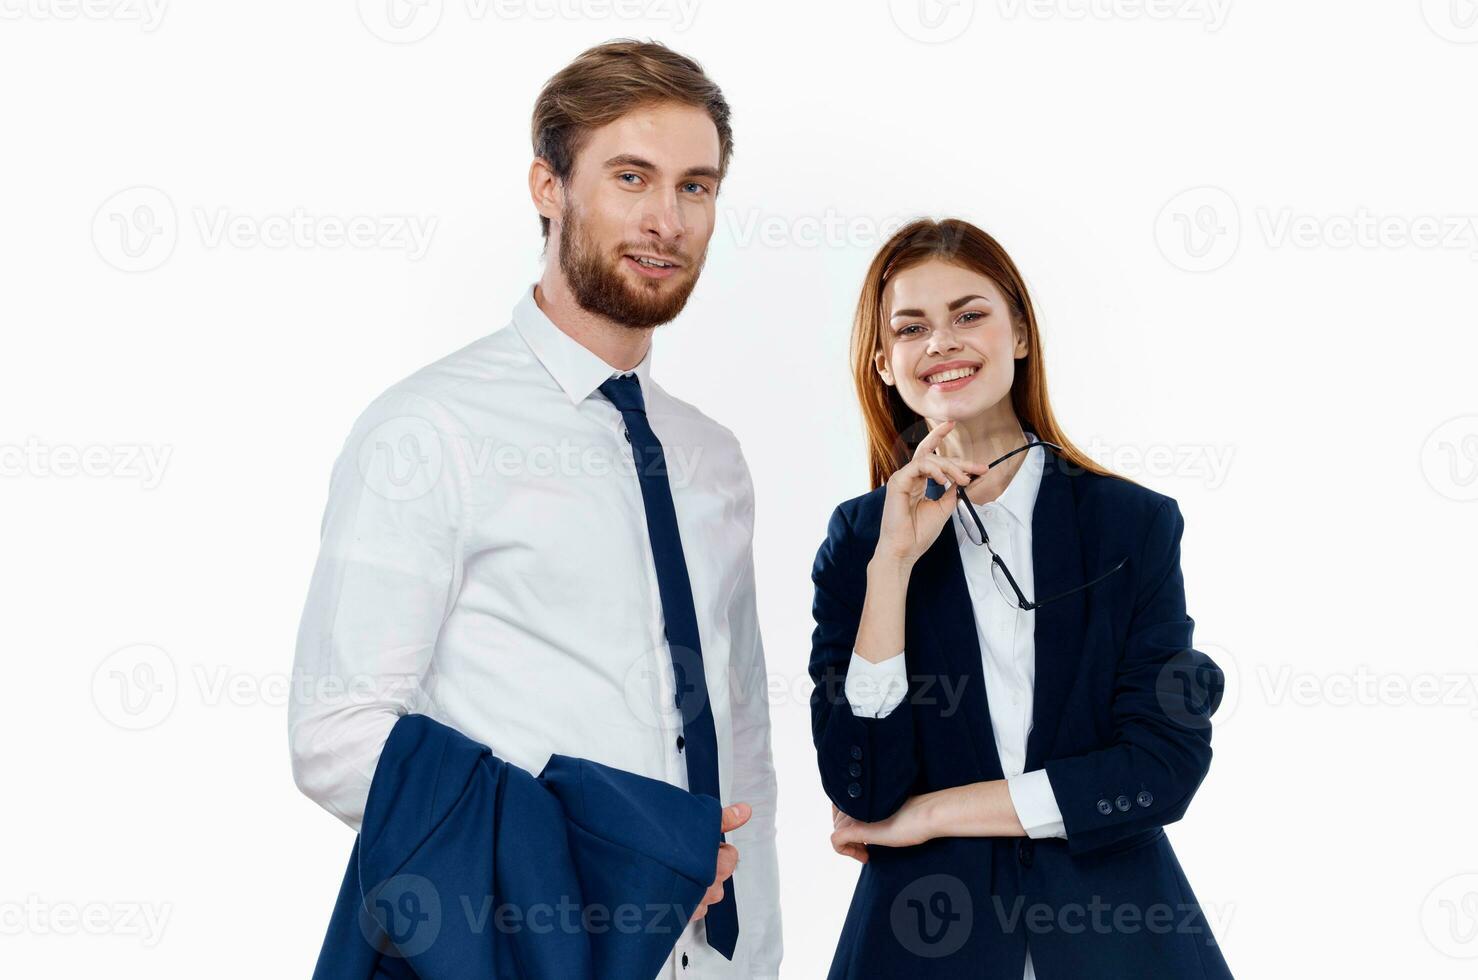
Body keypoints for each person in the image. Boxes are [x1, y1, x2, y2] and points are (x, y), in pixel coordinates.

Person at [289, 39, 781, 979]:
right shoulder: (427, 429)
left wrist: (752, 955)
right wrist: (608, 860)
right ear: (547, 187)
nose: (666, 219)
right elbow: (336, 733)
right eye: (631, 176)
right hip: (516, 950)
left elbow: (740, 730)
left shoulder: (713, 459)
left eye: (696, 186)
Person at [810, 218, 1231, 978]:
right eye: (912, 327)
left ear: (1021, 334)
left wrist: (933, 815)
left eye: (969, 315)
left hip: (1122, 942)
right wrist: (892, 568)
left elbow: (1160, 767)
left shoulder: (1130, 524)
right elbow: (862, 790)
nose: (942, 342)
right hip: (920, 944)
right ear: (883, 363)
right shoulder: (860, 540)